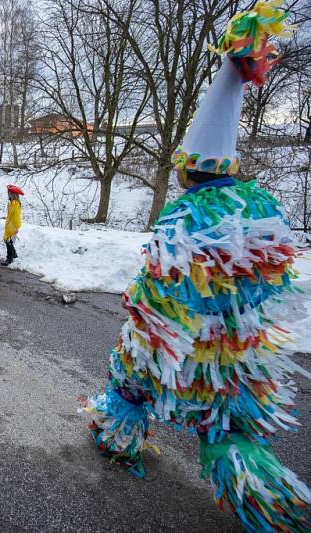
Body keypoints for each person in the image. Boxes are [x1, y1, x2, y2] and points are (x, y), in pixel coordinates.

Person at [81, 3, 310, 529]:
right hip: (228, 350)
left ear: (189, 169)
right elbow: (267, 285)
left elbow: (157, 291)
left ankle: (120, 441)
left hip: (172, 342)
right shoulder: (256, 211)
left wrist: (141, 314)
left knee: (128, 382)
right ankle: (268, 501)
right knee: (225, 424)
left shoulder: (186, 216)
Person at [2, 184, 24, 266]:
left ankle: (9, 258)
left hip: (13, 226)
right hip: (9, 225)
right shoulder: (11, 203)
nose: (8, 194)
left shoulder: (15, 204)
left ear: (13, 194)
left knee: (9, 242)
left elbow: (16, 216)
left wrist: (15, 227)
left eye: (9, 193)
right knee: (7, 240)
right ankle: (14, 254)